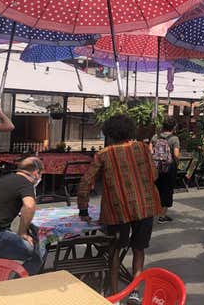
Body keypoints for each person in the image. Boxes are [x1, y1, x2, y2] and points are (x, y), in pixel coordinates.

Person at [77, 114, 161, 301]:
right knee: (139, 249)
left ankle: (114, 293)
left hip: (117, 211)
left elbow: (85, 183)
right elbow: (154, 175)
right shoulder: (142, 148)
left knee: (115, 249)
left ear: (109, 133)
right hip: (144, 207)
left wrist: (83, 210)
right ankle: (134, 291)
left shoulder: (103, 155)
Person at [0, 157, 43, 274]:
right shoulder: (25, 183)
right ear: (36, 173)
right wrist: (23, 232)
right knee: (36, 252)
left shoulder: (3, 179)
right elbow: (29, 206)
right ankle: (18, 284)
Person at [150, 116, 180, 224]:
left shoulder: (155, 137)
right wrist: (177, 163)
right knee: (167, 191)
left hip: (156, 167)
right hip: (169, 168)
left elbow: (150, 152)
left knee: (157, 189)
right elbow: (176, 154)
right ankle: (162, 216)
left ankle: (154, 211)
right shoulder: (174, 139)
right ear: (173, 127)